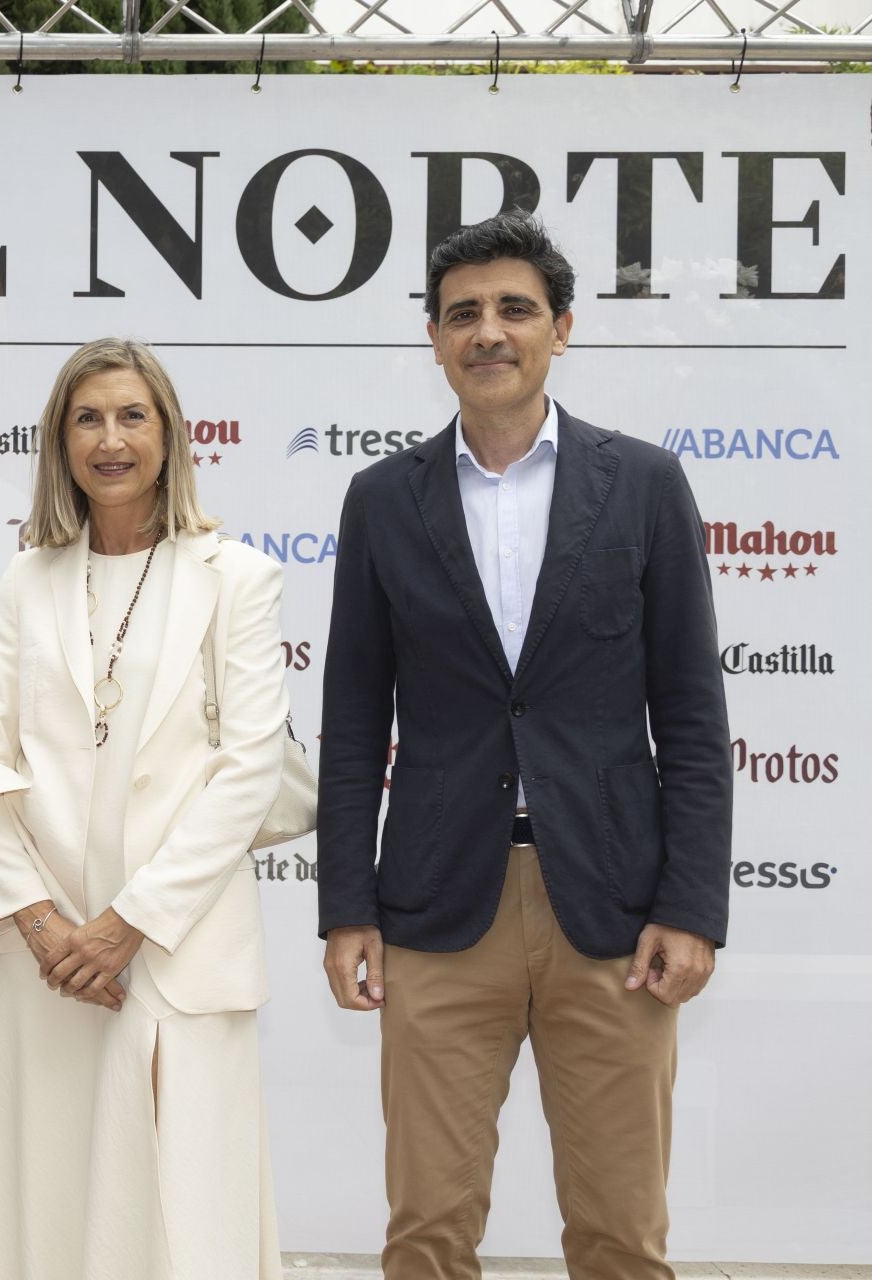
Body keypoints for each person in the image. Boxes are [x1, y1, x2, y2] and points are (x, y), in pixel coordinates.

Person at [317, 211, 732, 1280]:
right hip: (435, 910)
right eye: (464, 314)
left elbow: (689, 712)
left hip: (614, 912)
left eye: (514, 309)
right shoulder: (380, 500)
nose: (488, 331)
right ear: (435, 338)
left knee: (621, 1234)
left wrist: (689, 907)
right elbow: (356, 719)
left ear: (562, 328)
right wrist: (347, 907)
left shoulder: (642, 484)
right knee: (427, 1231)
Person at [0, 338, 289, 1280]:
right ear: (60, 442)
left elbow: (247, 770)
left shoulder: (237, 578)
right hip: (47, 967)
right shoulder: (26, 582)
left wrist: (126, 926)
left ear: (170, 434)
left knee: (188, 1221)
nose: (110, 439)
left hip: (177, 949)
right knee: (49, 1214)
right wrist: (44, 926)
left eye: (131, 416)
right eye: (88, 418)